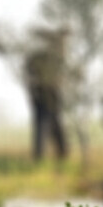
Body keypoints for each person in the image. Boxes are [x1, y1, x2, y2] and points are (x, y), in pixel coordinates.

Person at [24, 28, 68, 162]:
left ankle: (59, 156)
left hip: (49, 96)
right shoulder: (41, 59)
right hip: (44, 96)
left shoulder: (48, 58)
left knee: (53, 126)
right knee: (43, 127)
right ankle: (42, 158)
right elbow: (31, 79)